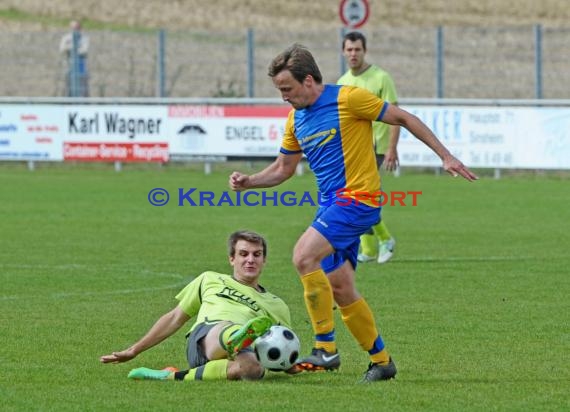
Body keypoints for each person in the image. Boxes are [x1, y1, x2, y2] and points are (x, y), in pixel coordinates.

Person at [229, 44, 477, 383]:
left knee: (303, 256)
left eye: (287, 89)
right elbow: (284, 168)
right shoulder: (295, 119)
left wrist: (445, 156)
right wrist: (250, 181)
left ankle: (325, 349)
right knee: (341, 287)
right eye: (279, 91)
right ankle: (382, 361)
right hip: (331, 204)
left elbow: (404, 117)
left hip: (358, 199)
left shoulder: (348, 99)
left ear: (310, 80)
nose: (283, 97)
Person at [100, 230, 297, 381]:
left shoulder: (277, 305)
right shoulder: (210, 279)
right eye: (243, 254)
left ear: (264, 260)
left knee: (253, 370)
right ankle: (235, 336)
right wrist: (134, 350)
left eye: (257, 254)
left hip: (243, 352)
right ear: (232, 259)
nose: (250, 260)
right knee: (227, 326)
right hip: (205, 338)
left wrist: (311, 363)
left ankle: (172, 376)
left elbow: (283, 350)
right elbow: (175, 318)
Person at [338, 31, 399, 264]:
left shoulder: (381, 78)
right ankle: (369, 249)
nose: (353, 54)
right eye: (349, 49)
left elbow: (396, 115)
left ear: (365, 51)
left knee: (361, 196)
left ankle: (385, 240)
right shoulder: (343, 82)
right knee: (355, 197)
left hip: (376, 147)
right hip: (352, 149)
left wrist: (392, 148)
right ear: (344, 52)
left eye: (357, 49)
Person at [59, 20, 89, 97]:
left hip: (81, 66)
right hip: (69, 65)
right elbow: (62, 49)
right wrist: (74, 48)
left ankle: (83, 102)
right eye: (72, 27)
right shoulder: (66, 38)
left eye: (76, 27)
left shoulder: (84, 38)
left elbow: (84, 51)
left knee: (82, 87)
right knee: (68, 86)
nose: (74, 29)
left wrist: (71, 48)